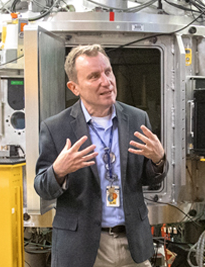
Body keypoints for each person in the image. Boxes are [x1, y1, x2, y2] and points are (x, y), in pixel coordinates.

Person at [34, 44, 168, 267]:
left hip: (132, 244)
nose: (106, 82)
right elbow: (42, 188)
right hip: (82, 248)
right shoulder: (56, 127)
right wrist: (58, 171)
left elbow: (149, 178)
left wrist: (158, 160)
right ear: (74, 87)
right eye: (94, 76)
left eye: (108, 72)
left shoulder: (137, 119)